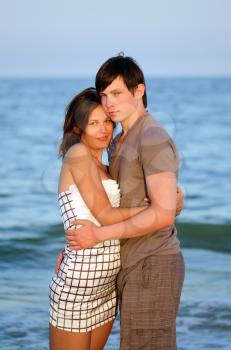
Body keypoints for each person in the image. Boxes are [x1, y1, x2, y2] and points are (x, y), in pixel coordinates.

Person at [66, 55, 185, 350]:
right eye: (104, 95)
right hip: (131, 264)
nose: (109, 103)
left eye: (117, 93)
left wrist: (96, 235)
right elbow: (103, 202)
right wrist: (72, 244)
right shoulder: (120, 142)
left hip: (153, 260)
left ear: (139, 91)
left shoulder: (152, 137)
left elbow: (162, 216)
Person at [49, 87, 159, 350]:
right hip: (77, 288)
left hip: (106, 288)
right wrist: (156, 208)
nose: (103, 129)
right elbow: (105, 215)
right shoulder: (77, 155)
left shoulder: (107, 166)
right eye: (93, 123)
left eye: (107, 121)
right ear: (78, 129)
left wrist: (169, 197)